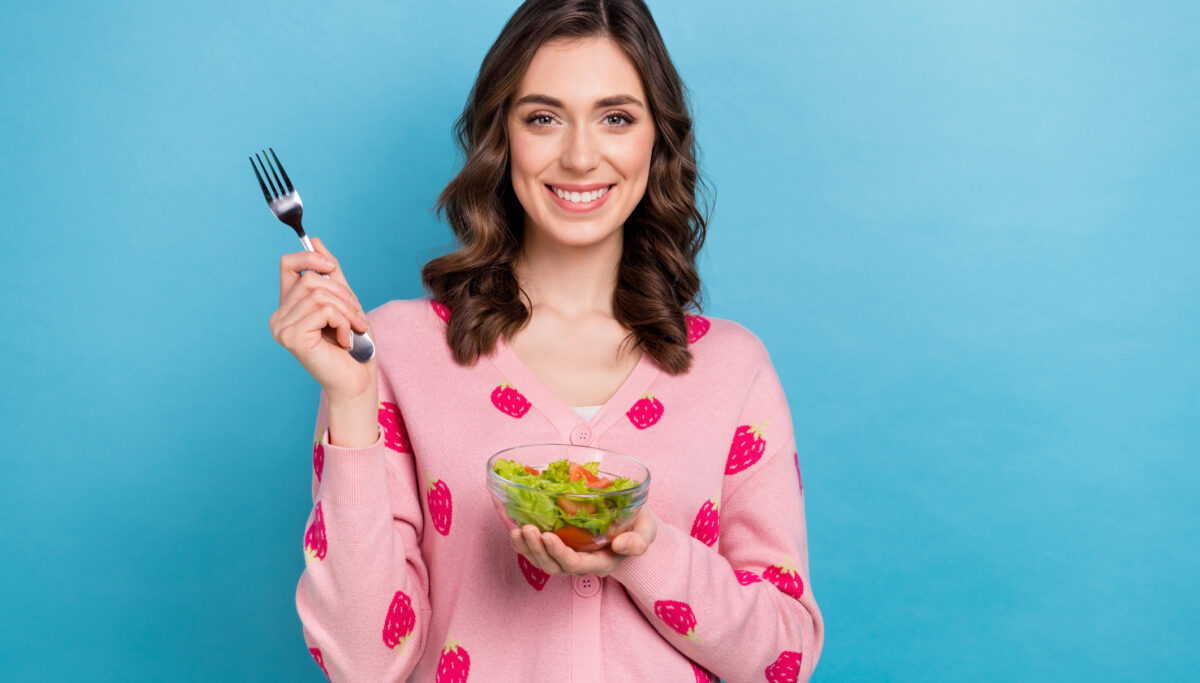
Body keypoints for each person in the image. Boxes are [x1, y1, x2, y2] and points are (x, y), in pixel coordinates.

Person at [271, 0, 824, 680]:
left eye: (616, 117)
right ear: (501, 136)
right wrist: (352, 401)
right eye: (543, 117)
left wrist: (643, 553)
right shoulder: (389, 351)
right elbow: (362, 661)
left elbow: (783, 657)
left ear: (658, 139)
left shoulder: (732, 369)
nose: (581, 155)